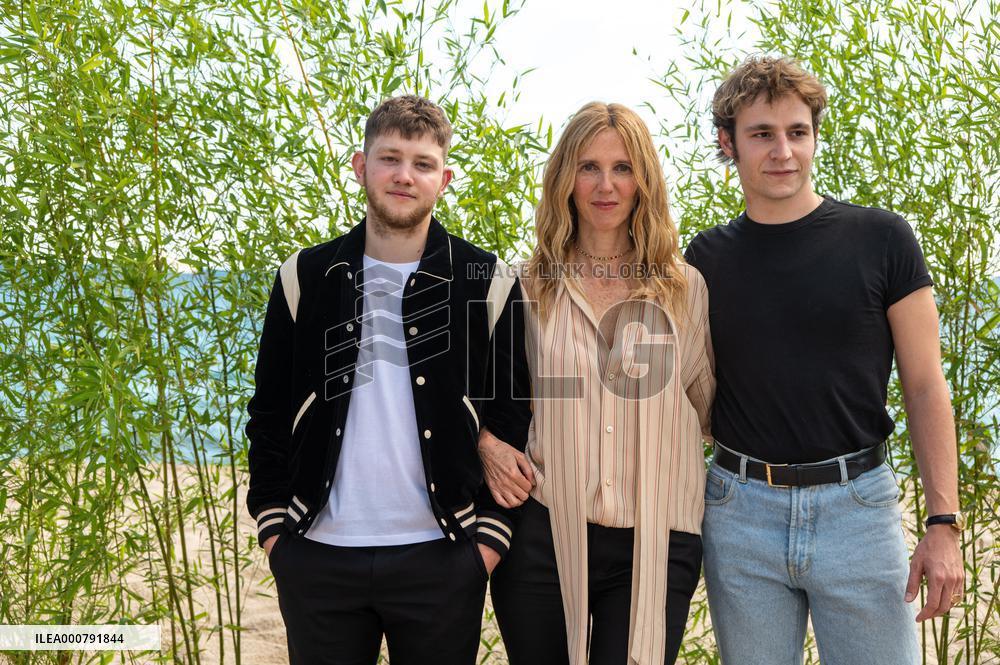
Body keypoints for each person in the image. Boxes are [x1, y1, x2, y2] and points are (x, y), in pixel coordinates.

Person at [684, 56, 965, 664]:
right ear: (728, 144)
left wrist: (943, 522)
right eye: (762, 133)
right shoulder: (704, 258)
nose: (783, 150)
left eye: (798, 131)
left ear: (814, 136)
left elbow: (924, 386)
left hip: (858, 510)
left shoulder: (883, 239)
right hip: (740, 513)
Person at [245, 95, 531, 665]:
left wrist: (488, 544)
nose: (405, 176)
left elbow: (513, 417)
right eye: (389, 158)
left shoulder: (489, 280)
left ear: (443, 178)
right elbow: (270, 412)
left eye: (423, 164)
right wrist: (276, 530)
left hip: (443, 555)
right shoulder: (304, 276)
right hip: (317, 555)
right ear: (360, 166)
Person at [480, 102, 715, 665]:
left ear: (644, 181)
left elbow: (705, 405)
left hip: (656, 538)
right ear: (565, 178)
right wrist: (485, 443)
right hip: (541, 533)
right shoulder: (522, 286)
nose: (606, 185)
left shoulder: (686, 288)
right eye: (589, 167)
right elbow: (481, 400)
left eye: (623, 168)